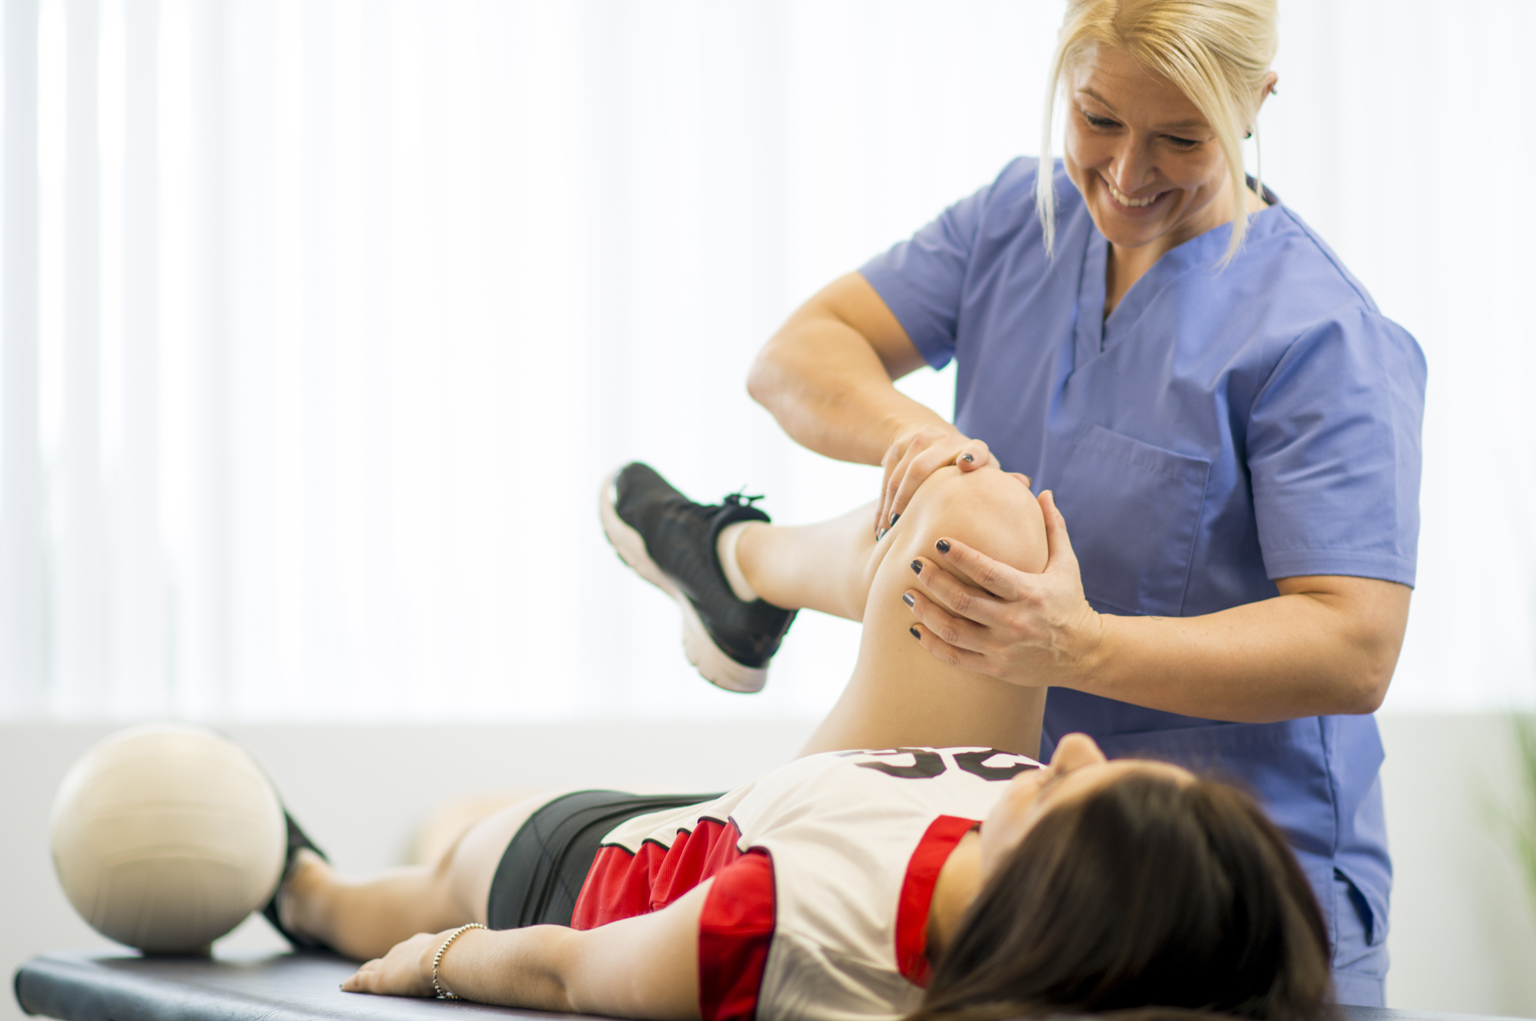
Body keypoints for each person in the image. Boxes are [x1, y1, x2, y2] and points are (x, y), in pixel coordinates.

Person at [736, 0, 1425, 1004]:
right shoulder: (1019, 218)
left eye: (1181, 137)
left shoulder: (1320, 333)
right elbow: (795, 358)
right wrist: (930, 450)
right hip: (1035, 878)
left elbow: (1353, 646)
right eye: (1098, 119)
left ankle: (743, 561)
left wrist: (1078, 647)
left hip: (1245, 887)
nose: (1128, 174)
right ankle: (744, 562)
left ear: (1254, 105)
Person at [270, 463, 1336, 1021]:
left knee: (422, 881)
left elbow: (564, 971)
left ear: (1047, 906)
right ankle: (737, 570)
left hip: (589, 866)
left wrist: (437, 960)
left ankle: (314, 887)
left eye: (1071, 799)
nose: (1075, 754)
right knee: (982, 516)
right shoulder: (1026, 873)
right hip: (779, 811)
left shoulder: (793, 928)